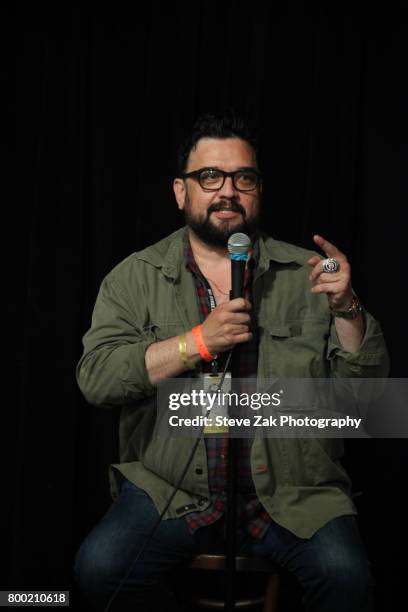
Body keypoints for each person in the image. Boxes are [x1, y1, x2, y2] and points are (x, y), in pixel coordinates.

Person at [74, 110, 389, 611]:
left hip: (292, 492)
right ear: (182, 191)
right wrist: (197, 342)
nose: (228, 191)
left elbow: (366, 403)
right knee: (98, 570)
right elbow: (97, 380)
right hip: (172, 491)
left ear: (257, 189)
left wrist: (347, 309)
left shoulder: (308, 276)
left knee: (348, 582)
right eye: (210, 177)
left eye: (244, 178)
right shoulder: (133, 278)